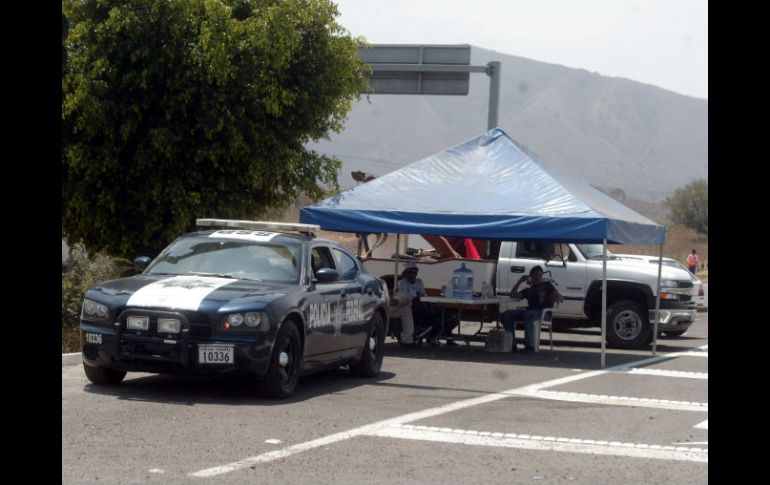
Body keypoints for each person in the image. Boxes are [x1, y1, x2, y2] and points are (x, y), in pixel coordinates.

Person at [501, 265, 563, 352]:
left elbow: (559, 296)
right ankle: (512, 344)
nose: (538, 277)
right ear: (531, 277)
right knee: (507, 314)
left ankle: (530, 346)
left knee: (528, 314)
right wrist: (520, 281)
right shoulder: (528, 290)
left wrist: (557, 297)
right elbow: (513, 294)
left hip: (543, 313)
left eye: (540, 275)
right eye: (536, 275)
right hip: (530, 311)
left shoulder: (547, 285)